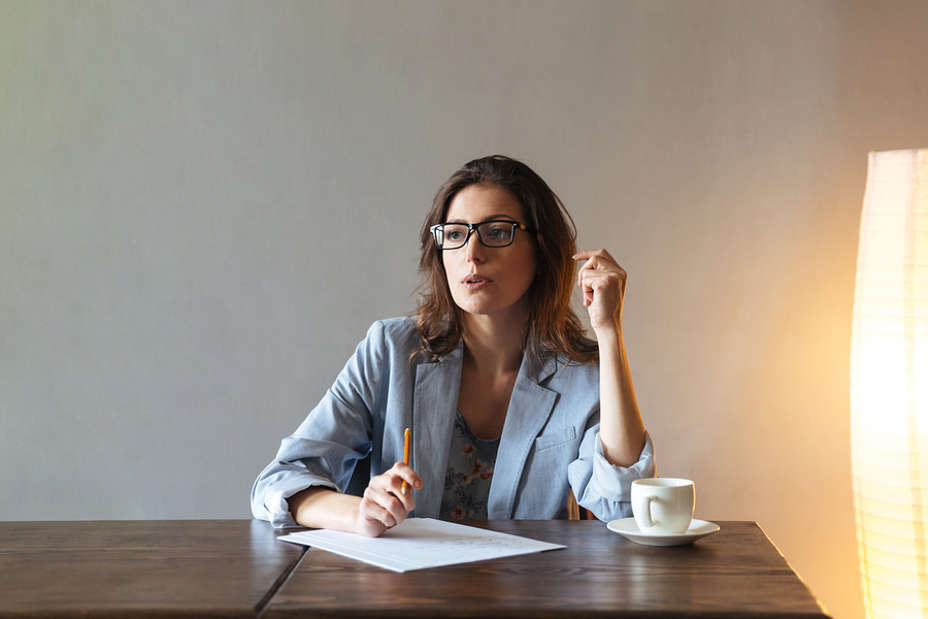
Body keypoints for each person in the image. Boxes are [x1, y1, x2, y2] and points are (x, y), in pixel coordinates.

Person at [250, 155, 655, 536]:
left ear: (542, 249)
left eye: (497, 232)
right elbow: (279, 481)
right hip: (406, 598)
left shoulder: (579, 371)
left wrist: (609, 332)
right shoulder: (391, 350)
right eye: (457, 234)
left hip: (531, 599)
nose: (472, 254)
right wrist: (362, 512)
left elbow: (625, 504)